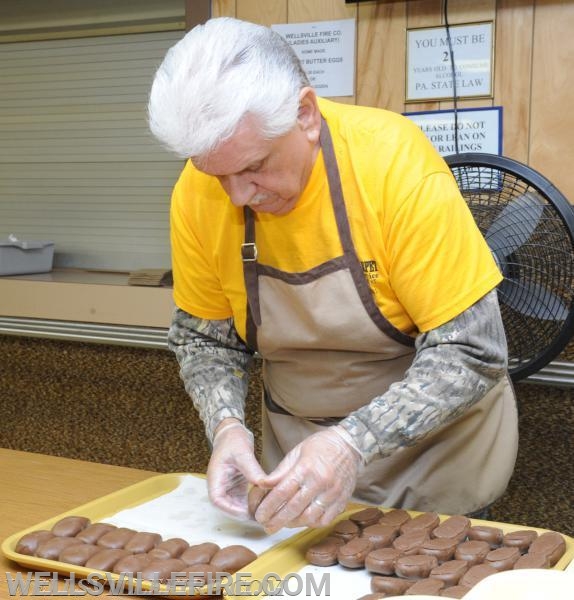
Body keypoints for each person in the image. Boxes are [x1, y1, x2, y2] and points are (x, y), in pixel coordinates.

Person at [148, 17, 518, 534]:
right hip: (297, 466)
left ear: (305, 115)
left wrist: (351, 444)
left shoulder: (393, 165)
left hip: (433, 463)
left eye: (254, 166)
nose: (236, 195)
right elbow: (205, 340)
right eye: (218, 175)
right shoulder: (196, 193)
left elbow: (473, 350)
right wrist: (227, 428)